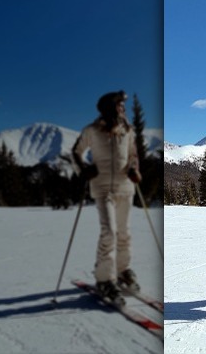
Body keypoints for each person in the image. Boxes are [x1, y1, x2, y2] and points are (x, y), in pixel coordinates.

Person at [72, 90, 142, 305]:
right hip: (102, 188)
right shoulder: (92, 130)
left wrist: (133, 169)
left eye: (123, 105)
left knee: (124, 233)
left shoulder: (127, 131)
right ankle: (104, 279)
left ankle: (122, 270)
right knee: (109, 232)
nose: (122, 108)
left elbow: (132, 155)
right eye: (119, 105)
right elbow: (76, 151)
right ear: (109, 107)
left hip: (125, 188)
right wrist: (83, 168)